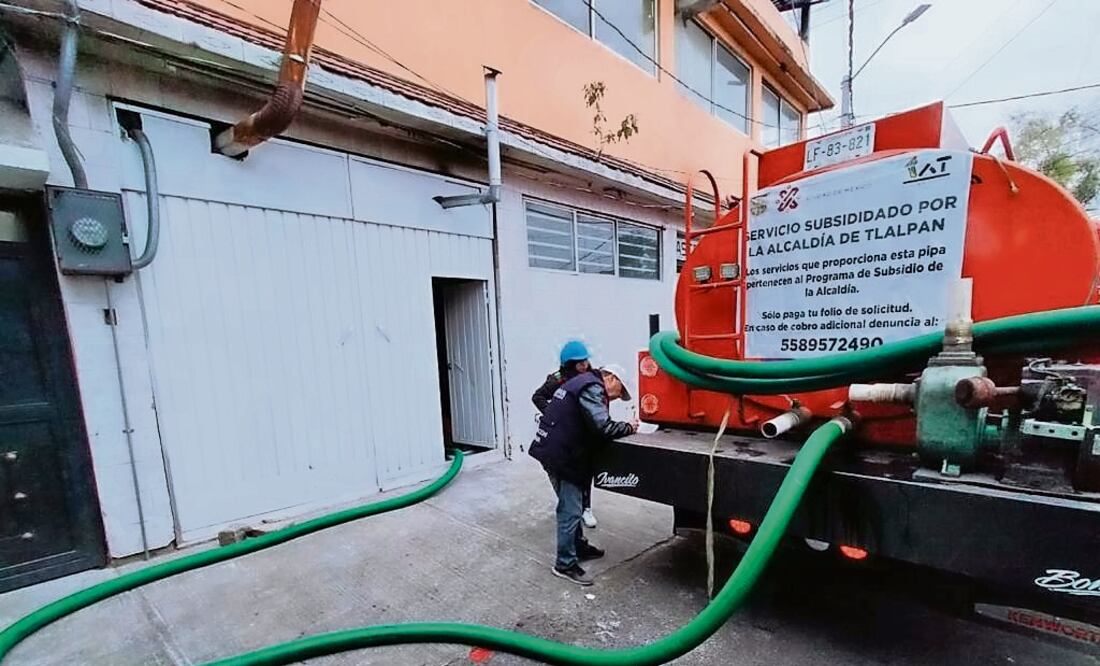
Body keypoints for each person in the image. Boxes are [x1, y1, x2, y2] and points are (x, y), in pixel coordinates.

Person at [529, 364, 638, 586]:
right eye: (620, 392)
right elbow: (603, 426)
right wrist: (628, 427)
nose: (617, 398)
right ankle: (565, 563)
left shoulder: (583, 381)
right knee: (570, 508)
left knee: (574, 503)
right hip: (560, 454)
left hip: (555, 448)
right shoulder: (592, 387)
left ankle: (577, 546)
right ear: (612, 379)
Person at [532, 340, 600, 528]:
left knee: (586, 472)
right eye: (579, 363)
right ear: (569, 365)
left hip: (583, 434)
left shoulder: (590, 377)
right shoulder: (556, 380)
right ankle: (570, 510)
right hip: (564, 437)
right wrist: (554, 414)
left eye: (585, 361)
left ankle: (586, 508)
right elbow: (537, 397)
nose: (584, 365)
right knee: (565, 476)